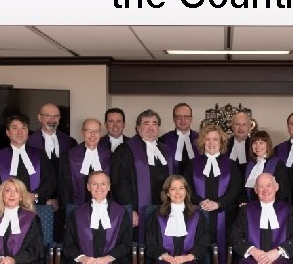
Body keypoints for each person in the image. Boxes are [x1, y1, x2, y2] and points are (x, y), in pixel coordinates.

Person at [183, 124, 242, 264]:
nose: (211, 143)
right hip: (197, 214)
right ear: (202, 141)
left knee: (223, 248)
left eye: (215, 139)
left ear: (221, 142)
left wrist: (218, 204)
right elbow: (187, 188)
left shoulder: (231, 164)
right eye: (207, 139)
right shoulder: (192, 164)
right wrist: (199, 202)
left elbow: (235, 190)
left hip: (224, 215)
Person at [110, 109, 175, 241]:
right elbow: (120, 184)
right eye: (146, 123)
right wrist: (130, 210)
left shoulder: (166, 151)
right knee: (140, 242)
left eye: (154, 123)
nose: (151, 127)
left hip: (163, 208)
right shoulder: (125, 150)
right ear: (138, 127)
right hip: (138, 210)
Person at [0, 114, 56, 205]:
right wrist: (8, 198)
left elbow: (50, 182)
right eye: (15, 128)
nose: (19, 132)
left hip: (36, 207)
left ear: (28, 132)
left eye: (23, 128)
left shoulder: (40, 155)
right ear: (8, 133)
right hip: (5, 209)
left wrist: (35, 196)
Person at [58, 118, 111, 208]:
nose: (92, 134)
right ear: (83, 132)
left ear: (100, 133)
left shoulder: (110, 156)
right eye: (89, 131)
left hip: (104, 207)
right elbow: (64, 188)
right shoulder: (68, 156)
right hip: (76, 207)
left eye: (96, 131)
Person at [27, 103, 77, 180]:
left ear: (59, 118)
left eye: (56, 116)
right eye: (48, 115)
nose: (52, 120)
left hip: (63, 186)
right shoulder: (28, 142)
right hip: (38, 186)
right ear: (40, 118)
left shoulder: (70, 142)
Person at [242, 130, 290, 204]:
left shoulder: (278, 164)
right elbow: (243, 189)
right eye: (255, 143)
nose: (257, 146)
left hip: (271, 207)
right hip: (251, 207)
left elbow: (283, 191)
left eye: (261, 143)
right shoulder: (249, 165)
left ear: (268, 145)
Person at [159, 103, 199, 175]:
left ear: (191, 119)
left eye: (186, 116)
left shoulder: (201, 139)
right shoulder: (163, 140)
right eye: (179, 117)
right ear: (174, 119)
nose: (183, 120)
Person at [227, 111, 252, 179]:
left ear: (249, 127)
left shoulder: (255, 146)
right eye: (237, 124)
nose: (241, 128)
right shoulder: (223, 145)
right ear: (232, 126)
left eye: (244, 124)